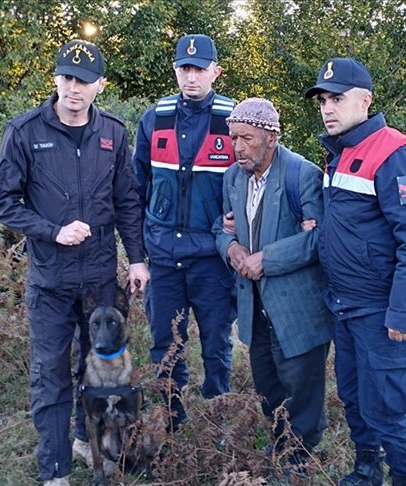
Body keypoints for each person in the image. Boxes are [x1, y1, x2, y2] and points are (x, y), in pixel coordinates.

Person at [0, 40, 150, 486]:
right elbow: (1, 200)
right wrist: (51, 230)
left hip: (99, 279)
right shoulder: (24, 131)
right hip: (51, 280)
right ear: (56, 79)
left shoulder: (113, 132)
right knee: (52, 375)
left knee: (97, 369)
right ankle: (55, 471)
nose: (74, 87)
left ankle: (85, 440)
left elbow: (127, 201)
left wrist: (137, 259)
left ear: (100, 85)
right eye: (67, 78)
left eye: (84, 80)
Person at [303, 58, 406, 486]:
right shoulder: (339, 154)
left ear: (365, 100)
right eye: (323, 100)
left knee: (387, 409)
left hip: (380, 311)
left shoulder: (396, 153)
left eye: (337, 99)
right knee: (354, 397)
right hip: (345, 305)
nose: (328, 108)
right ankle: (366, 471)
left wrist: (402, 313)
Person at [212, 98, 335, 470]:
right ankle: (281, 444)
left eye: (247, 138)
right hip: (254, 308)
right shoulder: (233, 177)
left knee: (301, 390)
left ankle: (299, 459)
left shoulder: (303, 175)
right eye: (234, 138)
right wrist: (231, 248)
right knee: (268, 386)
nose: (238, 147)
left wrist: (266, 259)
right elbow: (222, 226)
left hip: (296, 310)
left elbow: (320, 238)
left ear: (271, 137)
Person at [132, 34, 237, 430]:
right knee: (164, 345)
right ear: (175, 70)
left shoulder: (233, 119)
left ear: (216, 71)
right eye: (184, 69)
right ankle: (172, 420)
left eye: (199, 69)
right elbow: (134, 189)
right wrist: (137, 255)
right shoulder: (154, 118)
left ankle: (217, 423)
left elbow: (254, 186)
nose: (191, 77)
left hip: (212, 260)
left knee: (216, 345)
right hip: (163, 258)